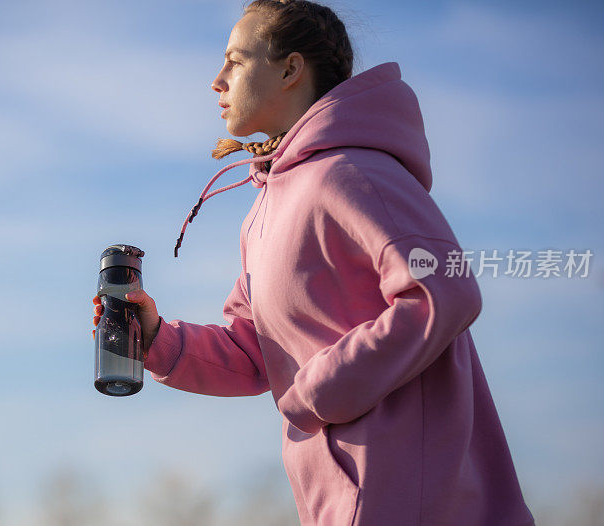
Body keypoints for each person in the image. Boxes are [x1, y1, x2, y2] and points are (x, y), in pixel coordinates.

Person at [92, 1, 536, 524]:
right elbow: (259, 351)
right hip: (340, 502)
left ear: (290, 69)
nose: (217, 79)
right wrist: (157, 337)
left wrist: (321, 388)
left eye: (235, 60)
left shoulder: (352, 171)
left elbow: (444, 291)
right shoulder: (267, 207)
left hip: (413, 499)